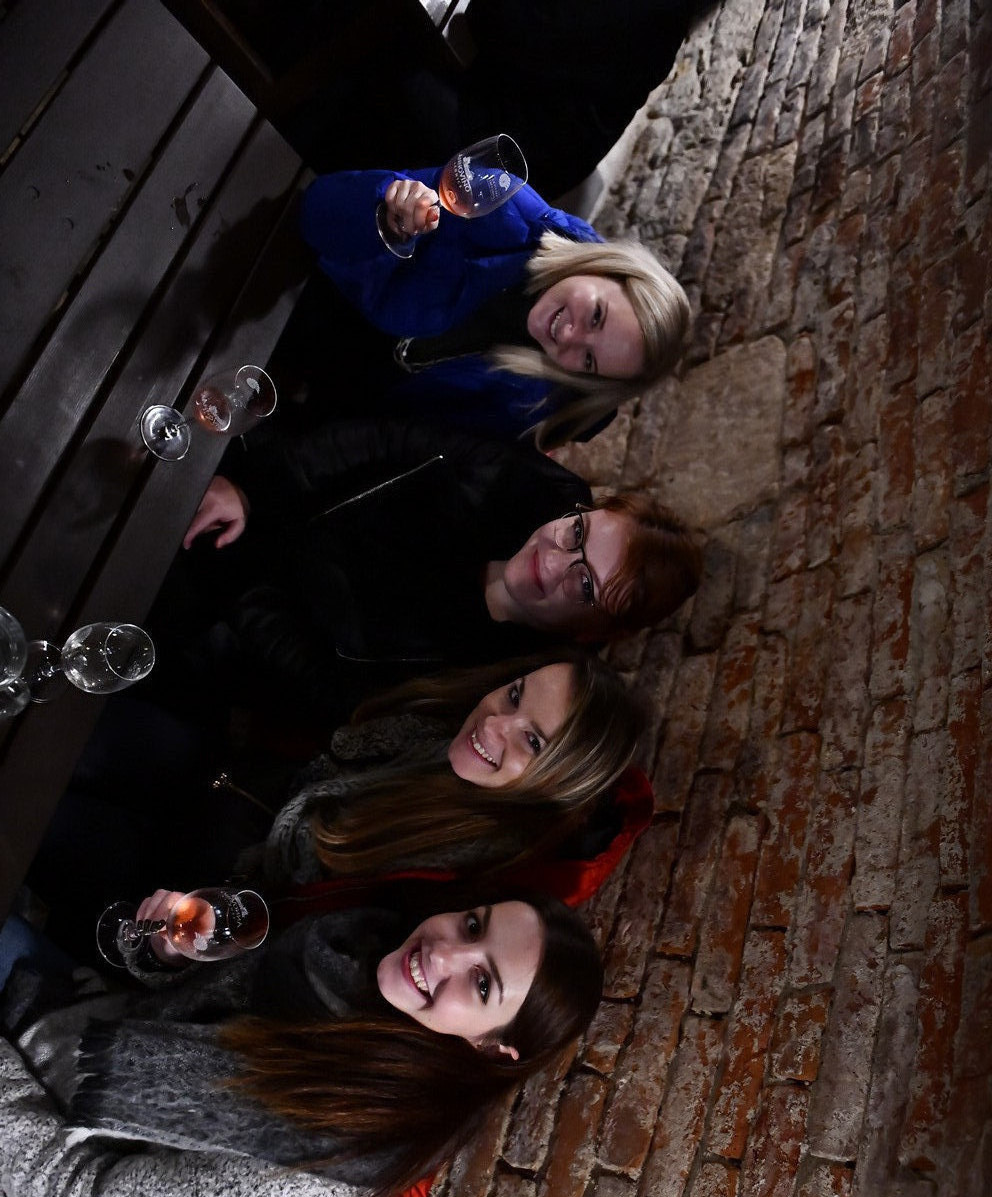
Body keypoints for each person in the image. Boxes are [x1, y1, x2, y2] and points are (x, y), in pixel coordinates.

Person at [0, 894, 601, 1197]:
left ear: (492, 1048)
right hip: (62, 1029)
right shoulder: (350, 955)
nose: (443, 955)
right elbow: (186, 1017)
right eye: (473, 926)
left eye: (482, 982)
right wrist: (166, 956)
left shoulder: (328, 1163)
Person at [173, 412, 701, 723]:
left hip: (221, 613)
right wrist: (252, 491)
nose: (554, 559)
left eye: (584, 584)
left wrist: (230, 570)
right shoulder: (541, 489)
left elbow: (323, 685)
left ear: (593, 632)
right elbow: (388, 439)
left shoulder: (495, 682)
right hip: (263, 481)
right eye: (577, 533)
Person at [288, 165, 690, 445]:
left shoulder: (531, 403)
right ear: (604, 268)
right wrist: (386, 215)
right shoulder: (500, 202)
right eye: (597, 316)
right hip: (295, 293)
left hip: (319, 410)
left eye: (588, 360)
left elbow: (406, 438)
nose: (570, 335)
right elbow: (317, 210)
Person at [251, 652, 642, 897]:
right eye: (515, 695)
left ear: (560, 788)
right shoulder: (439, 716)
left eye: (533, 741)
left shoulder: (452, 877)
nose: (494, 724)